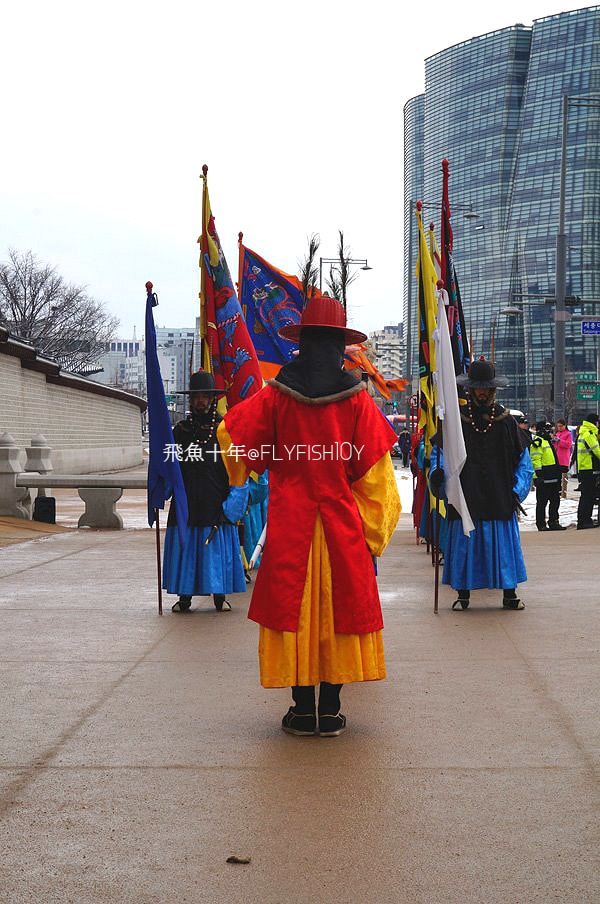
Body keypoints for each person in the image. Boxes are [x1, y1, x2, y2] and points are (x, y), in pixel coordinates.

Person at [217, 294, 401, 737]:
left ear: (302, 343)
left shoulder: (276, 397)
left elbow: (231, 435)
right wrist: (372, 534)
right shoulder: (357, 402)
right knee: (339, 613)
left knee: (293, 612)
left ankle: (301, 711)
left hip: (289, 526)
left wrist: (250, 475)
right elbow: (377, 481)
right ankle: (331, 710)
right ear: (339, 346)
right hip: (341, 529)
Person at [439, 357, 533, 610]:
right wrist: (439, 477)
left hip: (499, 495)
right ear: (470, 389)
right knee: (465, 545)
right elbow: (442, 455)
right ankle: (463, 594)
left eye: (486, 388)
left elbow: (524, 463)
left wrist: (517, 491)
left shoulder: (507, 421)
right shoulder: (456, 422)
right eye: (477, 388)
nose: (481, 392)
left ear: (493, 389)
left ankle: (509, 594)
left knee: (502, 547)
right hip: (466, 495)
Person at [163, 370, 248, 612]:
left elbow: (238, 470)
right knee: (187, 550)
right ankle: (185, 597)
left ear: (212, 399)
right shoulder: (180, 431)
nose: (200, 401)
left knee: (215, 550)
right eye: (196, 396)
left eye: (205, 396)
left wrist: (232, 505)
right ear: (191, 399)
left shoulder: (225, 430)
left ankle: (220, 596)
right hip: (187, 503)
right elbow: (169, 467)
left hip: (215, 501)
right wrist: (161, 488)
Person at [530, 421, 565, 531]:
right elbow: (535, 460)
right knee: (542, 502)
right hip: (544, 478)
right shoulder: (538, 442)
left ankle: (553, 522)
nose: (550, 432)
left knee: (555, 501)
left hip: (553, 477)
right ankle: (541, 524)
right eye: (548, 429)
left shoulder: (547, 441)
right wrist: (538, 476)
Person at [576, 412, 600, 530]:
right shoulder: (589, 434)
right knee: (588, 497)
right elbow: (597, 451)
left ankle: (584, 520)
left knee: (586, 496)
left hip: (584, 469)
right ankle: (584, 521)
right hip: (589, 469)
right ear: (594, 422)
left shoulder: (583, 433)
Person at [554, 418, 573, 499]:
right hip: (556, 458)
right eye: (558, 426)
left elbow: (568, 445)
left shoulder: (568, 434)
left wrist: (559, 441)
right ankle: (557, 491)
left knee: (563, 477)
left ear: (565, 426)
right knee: (557, 477)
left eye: (561, 426)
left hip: (563, 459)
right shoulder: (557, 433)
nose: (559, 428)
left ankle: (563, 492)